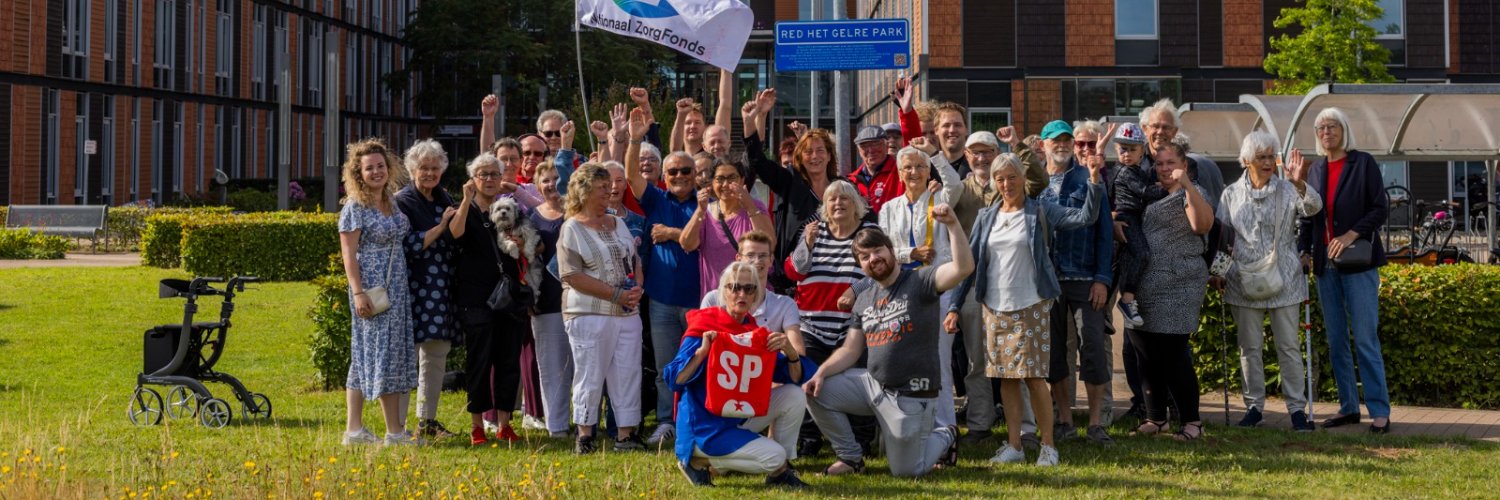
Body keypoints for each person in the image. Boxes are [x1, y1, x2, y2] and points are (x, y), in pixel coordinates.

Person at [949, 149, 1104, 466]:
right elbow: (970, 263)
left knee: (1033, 377)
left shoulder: (1041, 210)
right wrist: (954, 305)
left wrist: (1093, 180)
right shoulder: (986, 217)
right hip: (994, 307)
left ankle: (1048, 446)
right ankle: (1015, 445)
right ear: (994, 182)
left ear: (1023, 178)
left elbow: (1085, 218)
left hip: (1031, 304)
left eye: (1012, 177)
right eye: (1000, 179)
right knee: (1006, 378)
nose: (1006, 184)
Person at [804, 206, 973, 477]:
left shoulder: (921, 281)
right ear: (860, 265)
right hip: (874, 386)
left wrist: (953, 224)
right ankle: (851, 459)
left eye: (877, 251)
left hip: (911, 395)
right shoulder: (864, 299)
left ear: (891, 250)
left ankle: (946, 433)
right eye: (865, 256)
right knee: (816, 391)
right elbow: (850, 350)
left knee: (905, 471)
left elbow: (963, 268)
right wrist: (820, 373)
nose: (873, 258)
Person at [667, 262, 817, 488]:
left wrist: (791, 352)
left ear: (756, 294)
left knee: (793, 395)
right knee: (774, 456)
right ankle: (698, 460)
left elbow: (795, 377)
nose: (742, 294)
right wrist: (701, 353)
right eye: (735, 287)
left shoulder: (753, 332)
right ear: (723, 291)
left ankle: (780, 473)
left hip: (736, 415)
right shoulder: (705, 326)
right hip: (704, 425)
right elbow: (674, 380)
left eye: (749, 289)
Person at [946, 128, 1046, 446]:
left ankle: (1027, 429)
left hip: (1012, 287)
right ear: (966, 156)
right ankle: (980, 423)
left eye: (987, 151)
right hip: (974, 284)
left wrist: (1017, 144)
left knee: (1021, 363)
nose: (981, 157)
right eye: (975, 152)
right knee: (977, 361)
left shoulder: (1013, 185)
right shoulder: (959, 189)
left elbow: (1039, 181)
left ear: (996, 154)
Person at [1296, 107, 1392, 434]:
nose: (1326, 132)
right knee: (1337, 340)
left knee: (1365, 338)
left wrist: (1352, 234)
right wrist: (1304, 251)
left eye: (1332, 126)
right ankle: (1349, 407)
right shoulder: (1316, 170)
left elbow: (1380, 208)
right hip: (1326, 267)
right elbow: (1308, 215)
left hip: (1359, 263)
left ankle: (1379, 411)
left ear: (1344, 130)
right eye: (1321, 127)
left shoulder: (1362, 163)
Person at [1219, 131, 1321, 432]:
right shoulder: (1230, 194)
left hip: (1285, 278)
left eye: (1270, 157)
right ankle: (1254, 407)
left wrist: (1299, 183)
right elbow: (1223, 238)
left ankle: (1297, 409)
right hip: (1242, 279)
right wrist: (1218, 272)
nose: (1267, 162)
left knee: (1288, 347)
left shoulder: (1287, 189)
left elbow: (1314, 208)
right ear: (1246, 160)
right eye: (1260, 157)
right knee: (1248, 348)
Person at [1033, 120, 1116, 445]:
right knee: (1054, 354)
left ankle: (1095, 423)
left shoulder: (1088, 177)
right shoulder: (1034, 183)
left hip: (1085, 278)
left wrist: (1102, 279)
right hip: (1047, 281)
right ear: (1043, 144)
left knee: (1093, 348)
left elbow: (1104, 233)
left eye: (1067, 139)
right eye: (1056, 140)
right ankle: (1064, 420)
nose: (1063, 144)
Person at [624, 108, 703, 446]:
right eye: (673, 171)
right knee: (665, 367)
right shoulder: (656, 198)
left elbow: (696, 242)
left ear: (695, 174)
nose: (679, 175)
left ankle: (697, 420)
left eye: (686, 170)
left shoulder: (706, 203)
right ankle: (666, 421)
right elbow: (631, 175)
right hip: (661, 300)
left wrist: (670, 233)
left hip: (699, 301)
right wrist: (634, 140)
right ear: (664, 176)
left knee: (699, 365)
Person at [558, 162, 647, 453]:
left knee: (628, 372)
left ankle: (625, 435)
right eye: (601, 188)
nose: (609, 192)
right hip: (588, 313)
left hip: (627, 313)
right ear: (583, 191)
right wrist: (615, 294)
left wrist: (637, 287)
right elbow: (571, 275)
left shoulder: (618, 222)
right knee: (590, 373)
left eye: (610, 186)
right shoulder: (571, 228)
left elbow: (634, 259)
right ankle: (585, 436)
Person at [337, 138, 420, 447]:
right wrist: (358, 293)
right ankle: (395, 433)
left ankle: (354, 430)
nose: (376, 172)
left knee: (364, 356)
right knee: (385, 355)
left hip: (396, 287)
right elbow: (348, 255)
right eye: (369, 168)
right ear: (358, 173)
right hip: (371, 290)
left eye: (380, 166)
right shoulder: (355, 207)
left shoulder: (391, 202)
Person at [1130, 138, 1214, 442]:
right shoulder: (1150, 193)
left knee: (1173, 353)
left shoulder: (1194, 192)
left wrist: (1187, 185)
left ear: (1184, 165)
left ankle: (1192, 421)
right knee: (1146, 352)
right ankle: (1156, 417)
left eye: (1171, 163)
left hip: (1179, 284)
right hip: (1144, 285)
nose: (1165, 169)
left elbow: (1202, 225)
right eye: (1159, 163)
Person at [877, 138, 963, 427]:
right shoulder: (889, 208)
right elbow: (884, 249)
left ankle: (945, 428)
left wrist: (933, 154)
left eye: (919, 167)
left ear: (928, 172)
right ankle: (910, 425)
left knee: (939, 359)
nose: (913, 172)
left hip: (937, 288)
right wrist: (909, 253)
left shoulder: (939, 200)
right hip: (902, 291)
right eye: (907, 167)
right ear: (899, 173)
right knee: (903, 359)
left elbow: (956, 185)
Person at [445, 153, 528, 445]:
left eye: (495, 174)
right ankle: (477, 425)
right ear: (473, 179)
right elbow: (455, 234)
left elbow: (533, 243)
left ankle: (504, 423)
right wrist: (466, 200)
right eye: (483, 174)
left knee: (508, 360)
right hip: (476, 297)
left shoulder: (511, 209)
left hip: (509, 296)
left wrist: (522, 243)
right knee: (479, 361)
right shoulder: (465, 210)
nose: (490, 179)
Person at [393, 139, 462, 440]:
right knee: (408, 358)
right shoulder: (402, 201)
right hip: (412, 287)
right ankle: (398, 425)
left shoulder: (444, 197)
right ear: (412, 170)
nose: (430, 173)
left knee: (435, 355)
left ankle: (427, 421)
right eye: (424, 168)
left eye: (435, 168)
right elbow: (408, 243)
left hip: (441, 286)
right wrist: (441, 227)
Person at [741, 89, 836, 295]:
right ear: (800, 157)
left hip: (835, 278)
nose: (815, 156)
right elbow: (757, 160)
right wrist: (753, 119)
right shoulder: (789, 181)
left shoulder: (842, 188)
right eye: (808, 152)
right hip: (794, 283)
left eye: (820, 150)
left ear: (829, 155)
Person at [528, 160, 574, 438]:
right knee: (552, 366)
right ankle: (557, 426)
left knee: (583, 365)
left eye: (556, 178)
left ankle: (586, 422)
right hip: (546, 301)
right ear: (537, 186)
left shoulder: (578, 213)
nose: (551, 184)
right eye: (545, 179)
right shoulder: (530, 218)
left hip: (581, 301)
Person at [680, 159, 772, 295]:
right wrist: (700, 211)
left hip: (750, 295)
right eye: (720, 179)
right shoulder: (705, 211)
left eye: (732, 178)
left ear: (742, 180)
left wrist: (749, 206)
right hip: (716, 295)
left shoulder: (755, 206)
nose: (725, 184)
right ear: (712, 183)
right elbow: (687, 244)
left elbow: (770, 243)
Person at [702, 232, 804, 355]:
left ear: (771, 260)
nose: (756, 261)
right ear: (738, 258)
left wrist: (784, 348)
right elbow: (700, 346)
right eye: (750, 255)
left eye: (763, 256)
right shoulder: (713, 299)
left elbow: (798, 353)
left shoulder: (785, 305)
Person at [848, 125, 903, 211]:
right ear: (859, 151)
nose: (871, 150)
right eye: (864, 146)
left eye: (876, 144)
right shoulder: (851, 181)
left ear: (887, 146)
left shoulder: (901, 171)